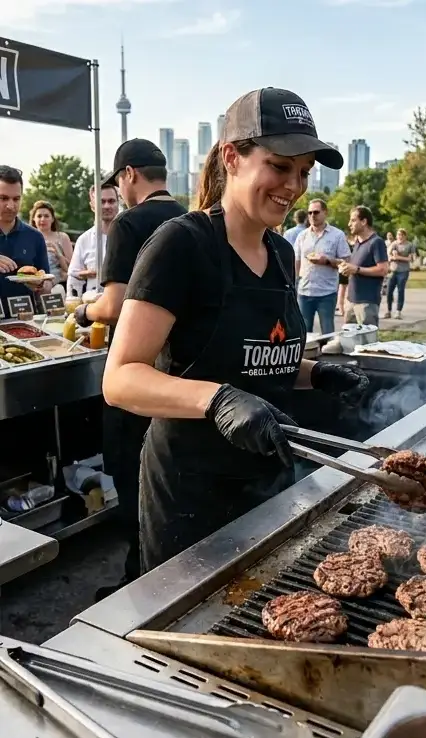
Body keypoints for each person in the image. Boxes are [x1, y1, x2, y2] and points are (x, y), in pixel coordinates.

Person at [101, 87, 367, 572]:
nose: (294, 185)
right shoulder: (182, 245)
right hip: (190, 491)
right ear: (232, 157)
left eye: (304, 172)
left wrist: (317, 373)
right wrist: (217, 400)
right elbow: (120, 379)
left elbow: (261, 358)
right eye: (281, 166)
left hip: (267, 480)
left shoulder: (283, 253)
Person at [75, 138, 186, 596]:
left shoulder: (128, 223)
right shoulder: (192, 219)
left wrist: (84, 311)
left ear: (128, 176)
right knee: (167, 482)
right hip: (179, 376)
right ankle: (168, 573)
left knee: (130, 475)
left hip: (137, 376)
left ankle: (139, 581)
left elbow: (116, 305)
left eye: (117, 182)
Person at [294, 198, 349, 334]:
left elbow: (346, 261)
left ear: (325, 213)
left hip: (327, 293)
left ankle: (327, 355)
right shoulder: (302, 236)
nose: (313, 215)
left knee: (327, 332)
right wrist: (296, 281)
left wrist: (327, 261)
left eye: (316, 212)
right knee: (304, 333)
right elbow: (297, 260)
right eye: (310, 212)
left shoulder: (337, 235)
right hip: (305, 292)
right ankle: (307, 355)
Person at [0, 165, 51, 310]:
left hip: (26, 322)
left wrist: (40, 284)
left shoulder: (35, 236)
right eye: (3, 198)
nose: (10, 206)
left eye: (16, 199)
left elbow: (47, 286)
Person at [339, 205, 388, 326]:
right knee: (349, 341)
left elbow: (383, 269)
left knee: (367, 342)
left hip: (367, 303)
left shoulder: (376, 242)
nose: (349, 224)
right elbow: (354, 269)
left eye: (353, 220)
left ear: (364, 221)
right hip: (351, 301)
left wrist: (357, 269)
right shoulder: (357, 243)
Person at [68, 185, 120, 297]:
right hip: (93, 304)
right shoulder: (84, 240)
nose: (107, 206)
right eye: (101, 202)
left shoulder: (130, 236)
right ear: (92, 205)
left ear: (118, 204)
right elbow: (73, 275)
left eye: (111, 201)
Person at [29, 201, 72, 287]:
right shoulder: (28, 238)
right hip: (34, 281)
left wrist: (58, 254)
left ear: (52, 219)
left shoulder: (62, 237)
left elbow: (73, 266)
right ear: (34, 218)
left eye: (46, 216)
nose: (42, 219)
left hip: (58, 282)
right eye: (39, 216)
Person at [386, 228, 415, 319]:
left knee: (400, 290)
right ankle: (389, 310)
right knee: (389, 291)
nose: (400, 237)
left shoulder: (409, 245)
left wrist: (398, 257)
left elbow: (410, 259)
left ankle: (398, 311)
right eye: (398, 235)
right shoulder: (394, 244)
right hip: (393, 270)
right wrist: (392, 257)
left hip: (403, 271)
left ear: (405, 236)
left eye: (402, 235)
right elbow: (388, 255)